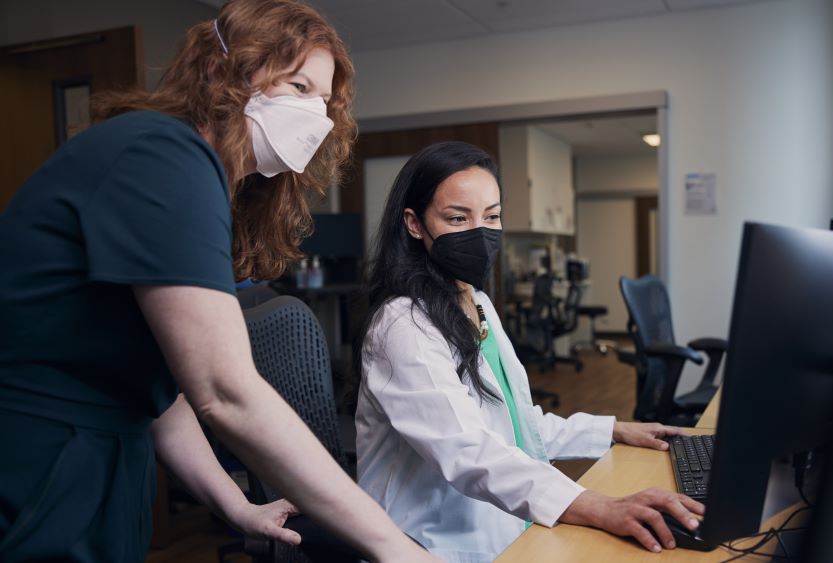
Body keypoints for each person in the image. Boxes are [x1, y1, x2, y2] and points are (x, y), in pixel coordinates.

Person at [0, 1, 439, 561]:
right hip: (38, 458)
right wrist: (392, 546)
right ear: (220, 70)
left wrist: (236, 505)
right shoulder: (162, 153)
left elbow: (160, 392)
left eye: (324, 101)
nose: (315, 115)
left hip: (103, 461)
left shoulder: (196, 175)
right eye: (298, 86)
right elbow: (225, 390)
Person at [355, 141, 706, 562]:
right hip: (431, 542)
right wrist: (598, 506)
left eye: (491, 216)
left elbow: (515, 425)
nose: (480, 232)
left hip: (505, 524)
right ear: (414, 224)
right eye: (458, 218)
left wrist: (614, 430)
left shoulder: (476, 303)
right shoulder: (403, 325)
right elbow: (468, 451)